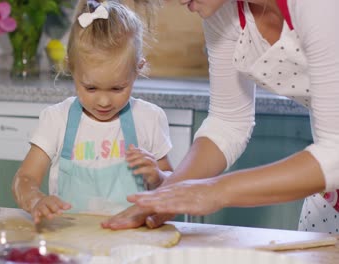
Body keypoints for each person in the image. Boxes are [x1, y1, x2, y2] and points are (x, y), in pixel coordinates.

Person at [102, 0, 339, 234]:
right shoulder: (222, 11)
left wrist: (216, 190)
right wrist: (161, 199)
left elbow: (335, 153)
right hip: (330, 198)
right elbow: (227, 123)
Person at [12, 0, 173, 224]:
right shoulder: (58, 119)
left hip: (128, 244)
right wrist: (36, 200)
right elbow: (24, 178)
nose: (104, 101)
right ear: (71, 68)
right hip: (69, 244)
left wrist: (158, 177)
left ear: (137, 70)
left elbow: (172, 187)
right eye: (91, 88)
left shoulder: (148, 118)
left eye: (117, 88)